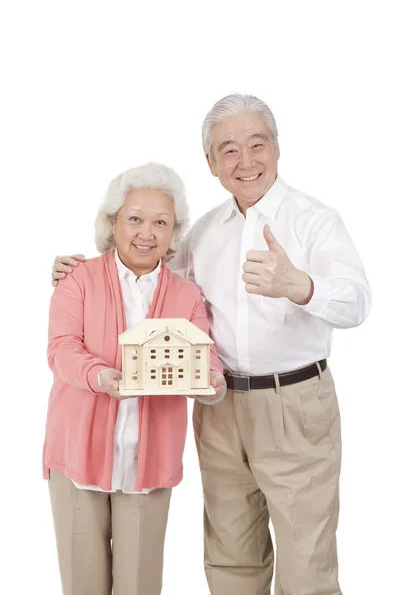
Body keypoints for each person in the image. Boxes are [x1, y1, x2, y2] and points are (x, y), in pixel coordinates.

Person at [52, 94, 371, 595]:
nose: (245, 162)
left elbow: (356, 303)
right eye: (228, 150)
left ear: (277, 148)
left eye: (256, 144)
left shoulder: (314, 220)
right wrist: (79, 269)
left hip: (294, 403)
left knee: (305, 560)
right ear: (211, 164)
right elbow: (148, 279)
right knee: (229, 555)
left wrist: (300, 286)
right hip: (217, 408)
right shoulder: (203, 233)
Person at [44, 161, 226, 595]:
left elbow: (205, 353)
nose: (147, 233)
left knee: (140, 586)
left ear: (173, 233)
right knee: (83, 584)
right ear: (113, 223)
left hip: (149, 459)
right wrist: (101, 375)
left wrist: (213, 380)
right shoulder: (78, 278)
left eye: (160, 222)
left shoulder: (186, 294)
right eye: (135, 219)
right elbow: (60, 349)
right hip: (77, 454)